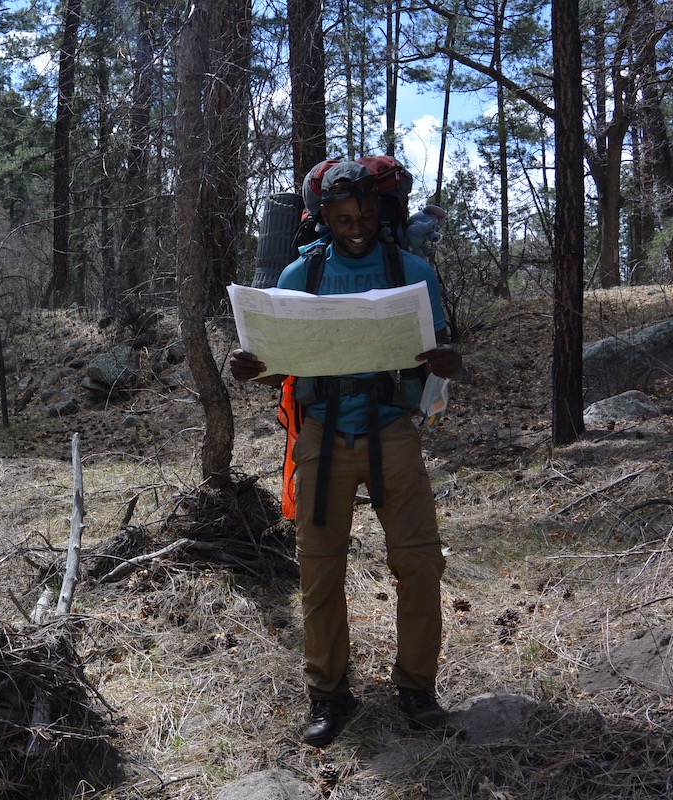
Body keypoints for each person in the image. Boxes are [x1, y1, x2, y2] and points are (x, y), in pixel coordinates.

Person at [229, 160, 462, 748]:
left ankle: (416, 688)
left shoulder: (412, 273)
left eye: (363, 216)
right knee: (320, 571)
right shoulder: (297, 275)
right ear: (322, 218)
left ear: (380, 213)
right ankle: (329, 696)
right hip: (322, 437)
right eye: (341, 218)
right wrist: (252, 367)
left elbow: (438, 352)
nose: (355, 228)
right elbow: (276, 364)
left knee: (419, 562)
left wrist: (447, 363)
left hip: (393, 433)